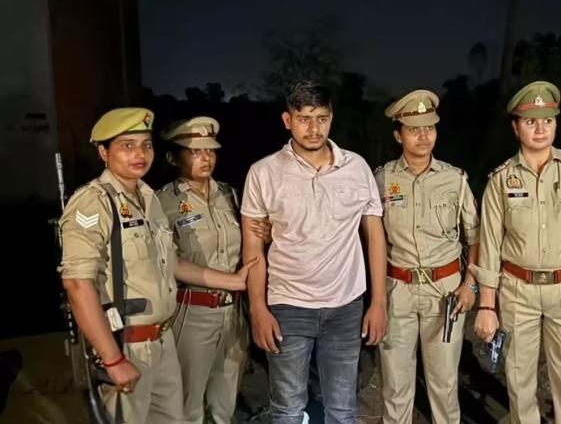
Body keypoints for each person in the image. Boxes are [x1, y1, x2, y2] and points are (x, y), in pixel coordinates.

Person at [59, 108, 255, 424]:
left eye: (145, 145)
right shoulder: (95, 202)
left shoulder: (148, 199)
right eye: (127, 145)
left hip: (162, 341)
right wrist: (112, 359)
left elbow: (172, 263)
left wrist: (233, 281)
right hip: (126, 342)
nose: (139, 154)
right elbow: (77, 283)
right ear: (103, 152)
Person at [240, 80, 388, 424]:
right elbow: (253, 247)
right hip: (288, 305)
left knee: (343, 409)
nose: (313, 128)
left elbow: (375, 236)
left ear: (331, 118)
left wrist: (378, 302)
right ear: (287, 120)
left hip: (346, 305)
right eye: (304, 118)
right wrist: (258, 308)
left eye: (321, 118)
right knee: (288, 408)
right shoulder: (263, 172)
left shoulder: (356, 167)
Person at [472, 81, 561, 424]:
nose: (541, 129)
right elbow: (489, 246)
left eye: (548, 120)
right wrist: (487, 306)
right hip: (517, 291)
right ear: (516, 128)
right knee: (519, 380)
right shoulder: (501, 180)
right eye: (531, 121)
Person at [374, 89, 480, 424]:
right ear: (398, 135)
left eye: (429, 128)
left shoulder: (455, 179)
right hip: (397, 291)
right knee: (395, 386)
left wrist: (470, 285)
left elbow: (476, 238)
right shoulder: (381, 180)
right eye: (414, 129)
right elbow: (368, 237)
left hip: (444, 291)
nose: (423, 136)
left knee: (444, 385)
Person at [157, 116, 270, 424]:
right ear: (173, 158)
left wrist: (267, 233)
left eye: (210, 150)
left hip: (233, 314)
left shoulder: (231, 195)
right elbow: (170, 263)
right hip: (192, 313)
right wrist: (232, 281)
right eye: (195, 151)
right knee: (188, 405)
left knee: (225, 400)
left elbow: (251, 239)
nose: (206, 157)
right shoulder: (163, 203)